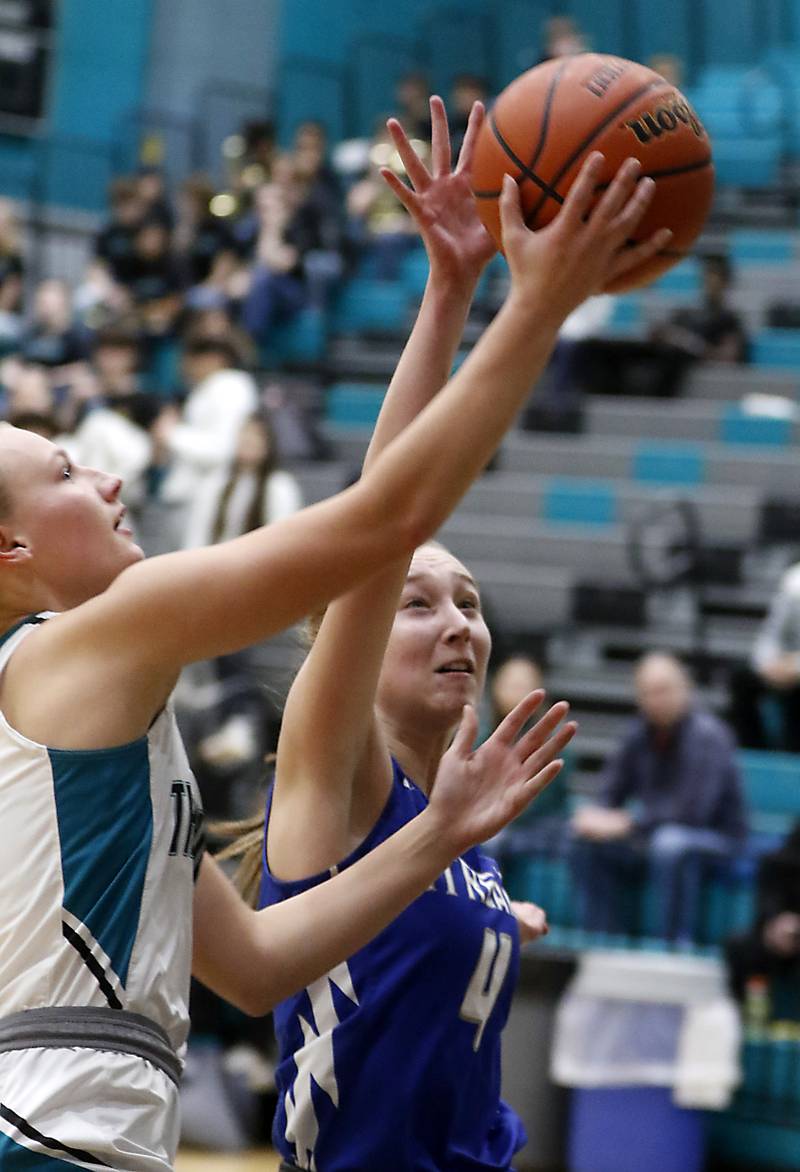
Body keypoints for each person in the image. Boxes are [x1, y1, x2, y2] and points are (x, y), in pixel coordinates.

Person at [0, 95, 666, 1170]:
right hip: (48, 1131)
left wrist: (449, 292)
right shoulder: (87, 641)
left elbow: (259, 966)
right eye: (65, 472)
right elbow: (382, 525)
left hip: (92, 1124)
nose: (110, 472)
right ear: (11, 555)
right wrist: (533, 306)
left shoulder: (109, 740)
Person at [221, 97, 667, 1171]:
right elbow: (384, 521)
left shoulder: (453, 817)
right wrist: (451, 292)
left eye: (467, 599)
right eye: (417, 603)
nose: (456, 618)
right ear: (350, 640)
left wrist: (484, 912)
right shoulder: (335, 777)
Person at [572, 652, 748, 943]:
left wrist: (629, 821)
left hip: (718, 840)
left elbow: (694, 813)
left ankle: (671, 946)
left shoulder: (710, 735)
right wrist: (595, 817)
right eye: (648, 693)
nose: (656, 700)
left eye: (663, 690)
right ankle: (603, 941)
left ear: (685, 688)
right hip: (655, 835)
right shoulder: (638, 733)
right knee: (584, 839)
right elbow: (610, 792)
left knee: (671, 843)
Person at [725, 821, 800, 1014]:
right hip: (774, 934)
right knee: (739, 945)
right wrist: (775, 923)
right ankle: (745, 1017)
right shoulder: (775, 862)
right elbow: (766, 902)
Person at [728, 560, 800, 752]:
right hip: (783, 665)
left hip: (794, 667)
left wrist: (795, 667)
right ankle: (751, 752)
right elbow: (771, 633)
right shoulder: (794, 582)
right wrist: (769, 664)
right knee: (742, 677)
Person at [650, 253, 748, 365]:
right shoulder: (685, 313)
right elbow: (658, 335)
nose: (709, 282)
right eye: (706, 275)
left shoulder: (730, 319)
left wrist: (690, 344)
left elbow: (727, 358)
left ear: (725, 282)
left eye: (714, 277)